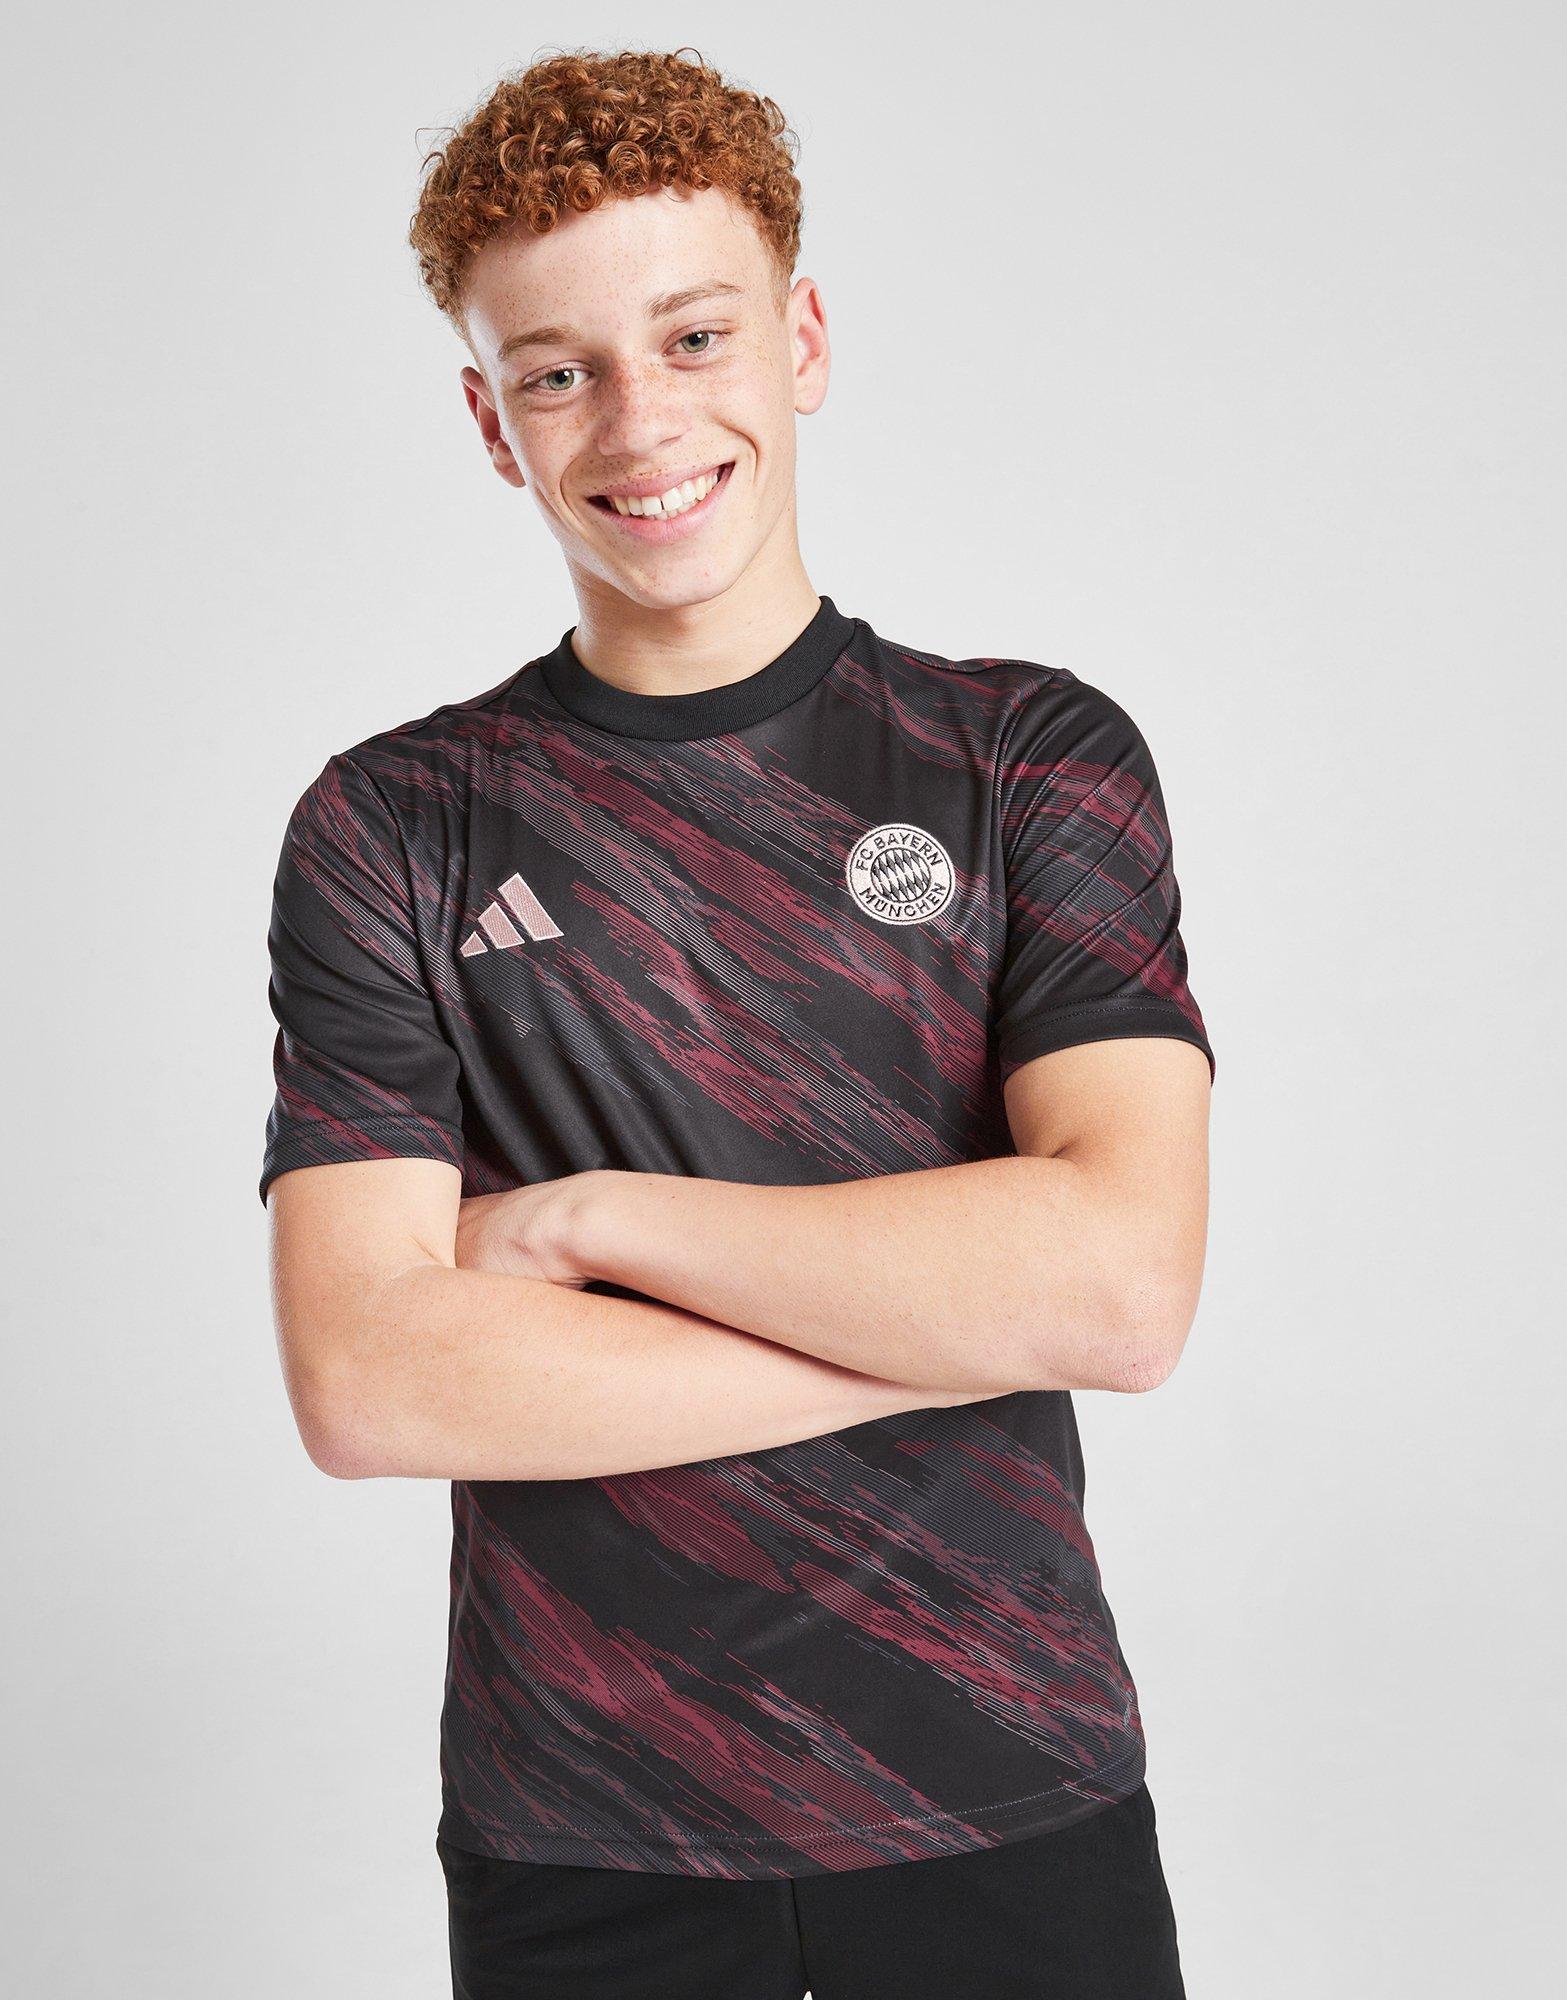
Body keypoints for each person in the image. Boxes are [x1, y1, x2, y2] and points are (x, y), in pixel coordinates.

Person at [259, 43, 1214, 2000]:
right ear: (489, 421)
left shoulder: (1029, 759)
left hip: (1003, 1782)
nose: (641, 420)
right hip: (580, 1830)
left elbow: (1118, 1284)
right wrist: (943, 1322)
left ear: (803, 340)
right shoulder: (393, 826)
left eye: (694, 336)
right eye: (558, 371)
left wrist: (590, 1225)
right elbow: (370, 1379)